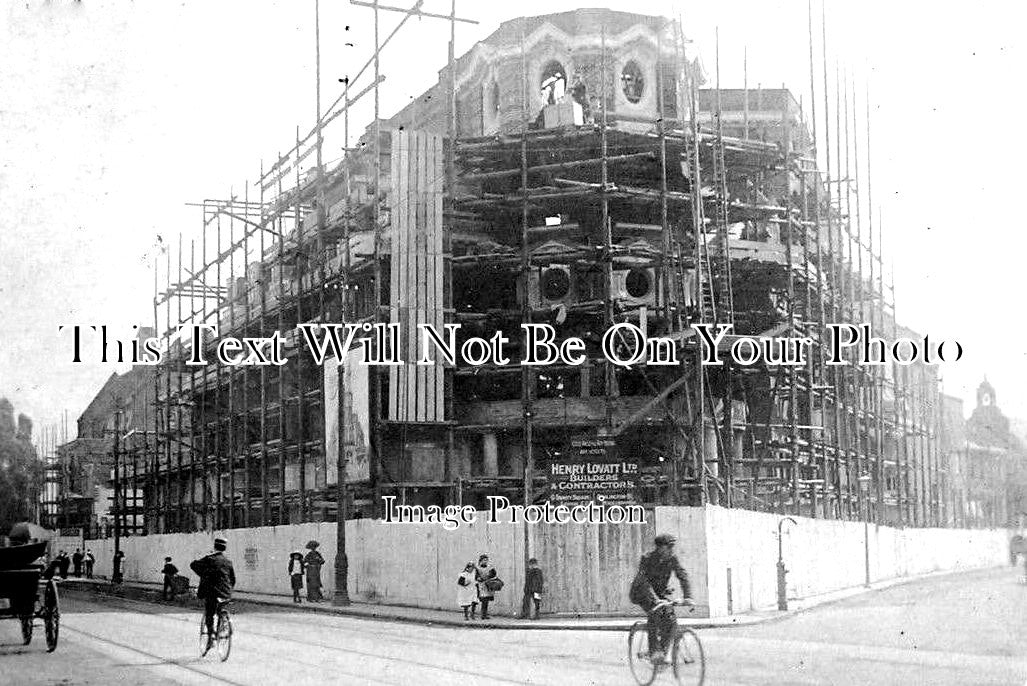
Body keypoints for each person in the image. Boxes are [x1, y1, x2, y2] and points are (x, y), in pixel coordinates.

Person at [629, 534, 693, 664]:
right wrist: (655, 599)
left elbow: (682, 575)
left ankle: (663, 651)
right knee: (655, 612)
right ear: (659, 548)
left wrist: (688, 597)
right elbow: (643, 581)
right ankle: (654, 651)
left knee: (670, 618)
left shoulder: (672, 558)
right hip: (642, 592)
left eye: (672, 547)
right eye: (668, 547)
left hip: (659, 593)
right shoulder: (647, 558)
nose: (671, 550)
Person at [190, 537, 236, 654]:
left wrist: (204, 574)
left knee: (209, 614)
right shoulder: (228, 562)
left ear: (214, 547)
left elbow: (193, 565)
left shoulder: (209, 559)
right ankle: (223, 623)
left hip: (212, 592)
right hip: (226, 593)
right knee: (220, 608)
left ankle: (211, 637)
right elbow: (233, 579)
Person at [475, 554, 498, 620]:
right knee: (484, 600)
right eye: (484, 560)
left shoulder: (490, 567)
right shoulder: (478, 568)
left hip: (488, 585)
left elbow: (494, 573)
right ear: (480, 561)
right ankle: (483, 614)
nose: (485, 561)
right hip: (481, 586)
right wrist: (479, 578)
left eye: (486, 560)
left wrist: (490, 575)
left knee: (486, 600)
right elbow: (476, 576)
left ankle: (484, 614)